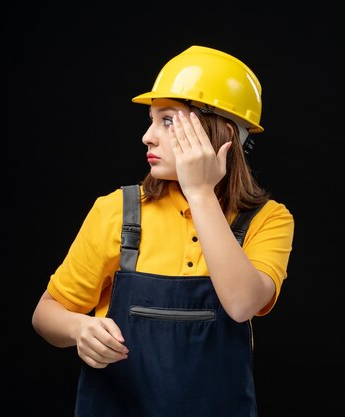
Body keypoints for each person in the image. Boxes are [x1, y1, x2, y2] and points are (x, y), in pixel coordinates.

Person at [31, 45, 295, 417]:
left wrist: (200, 192)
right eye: (151, 119)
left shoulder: (269, 219)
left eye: (167, 120)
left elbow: (241, 305)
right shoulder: (117, 212)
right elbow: (46, 313)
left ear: (220, 133)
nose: (147, 137)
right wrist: (78, 329)